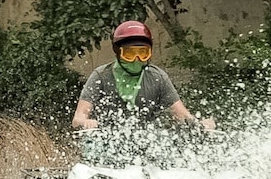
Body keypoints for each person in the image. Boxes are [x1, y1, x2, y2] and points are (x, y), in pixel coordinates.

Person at [72, 21, 216, 131]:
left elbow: (181, 115)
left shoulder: (157, 77)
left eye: (142, 53)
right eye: (129, 54)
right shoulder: (100, 76)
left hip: (145, 145)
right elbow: (77, 119)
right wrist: (86, 122)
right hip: (105, 144)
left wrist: (200, 124)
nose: (136, 59)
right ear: (118, 52)